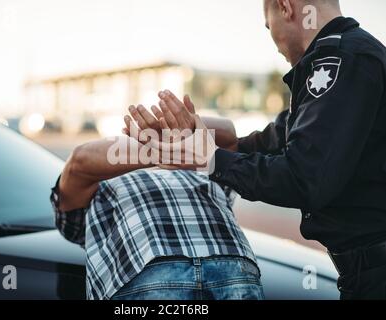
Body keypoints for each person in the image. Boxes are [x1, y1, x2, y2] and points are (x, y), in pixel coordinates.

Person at [125, 0, 386, 300]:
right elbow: (271, 142)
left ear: (285, 6)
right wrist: (191, 137)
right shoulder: (345, 55)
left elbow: (303, 178)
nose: (273, 41)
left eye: (268, 25)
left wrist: (210, 159)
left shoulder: (341, 58)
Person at [50, 119, 264, 300]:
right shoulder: (94, 191)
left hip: (231, 266)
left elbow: (228, 133)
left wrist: (177, 121)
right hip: (153, 270)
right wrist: (167, 150)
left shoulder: (204, 167)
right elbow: (80, 161)